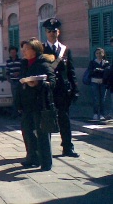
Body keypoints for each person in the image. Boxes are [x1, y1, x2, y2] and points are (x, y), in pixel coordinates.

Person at [42, 18, 80, 157]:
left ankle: (68, 147)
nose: (52, 33)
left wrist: (75, 89)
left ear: (59, 32)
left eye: (54, 31)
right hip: (48, 89)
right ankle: (46, 150)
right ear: (46, 33)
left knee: (64, 118)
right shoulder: (41, 49)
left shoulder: (65, 49)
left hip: (63, 89)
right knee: (48, 118)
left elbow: (71, 71)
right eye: (49, 31)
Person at [17, 38, 56, 171]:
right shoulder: (24, 64)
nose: (24, 51)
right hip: (27, 104)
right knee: (27, 131)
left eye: (27, 49)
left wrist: (38, 83)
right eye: (23, 49)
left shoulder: (43, 65)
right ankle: (32, 157)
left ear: (34, 50)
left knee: (42, 133)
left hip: (40, 104)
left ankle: (46, 162)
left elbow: (52, 83)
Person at [86, 48, 109, 120]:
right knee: (96, 98)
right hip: (94, 82)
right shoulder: (92, 62)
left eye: (100, 53)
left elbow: (107, 72)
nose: (99, 55)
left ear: (103, 54)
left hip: (103, 82)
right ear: (95, 54)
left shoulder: (106, 63)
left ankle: (102, 114)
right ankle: (95, 113)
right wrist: (96, 70)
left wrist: (100, 70)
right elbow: (90, 72)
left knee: (103, 99)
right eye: (97, 53)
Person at [6, 45, 22, 118]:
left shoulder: (20, 61)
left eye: (14, 52)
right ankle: (14, 114)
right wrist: (9, 79)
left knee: (20, 97)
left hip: (20, 81)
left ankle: (19, 113)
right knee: (15, 98)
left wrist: (18, 73)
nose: (13, 53)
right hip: (13, 82)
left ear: (16, 53)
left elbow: (23, 70)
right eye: (11, 52)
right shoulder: (8, 62)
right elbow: (7, 72)